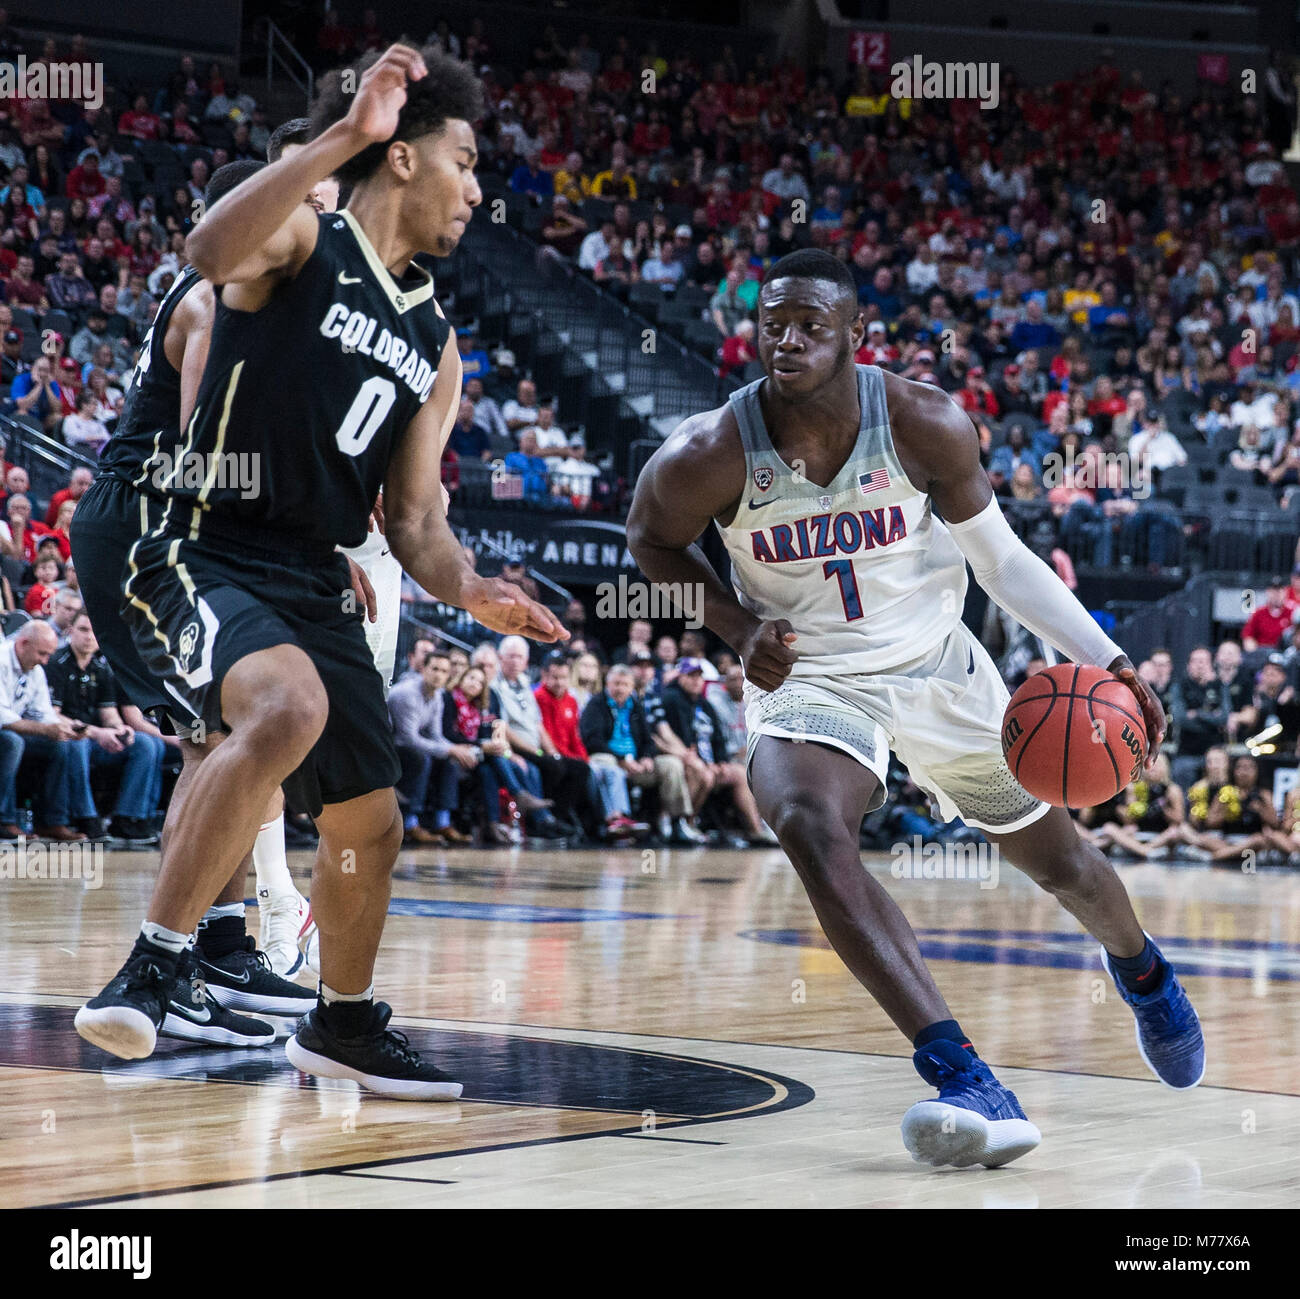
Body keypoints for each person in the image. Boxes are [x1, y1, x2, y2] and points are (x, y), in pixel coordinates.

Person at [627, 248, 1203, 1169]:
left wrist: (1111, 659)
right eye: (774, 322)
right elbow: (649, 540)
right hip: (811, 677)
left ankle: (1143, 969)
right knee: (808, 823)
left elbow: (1006, 565)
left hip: (940, 668)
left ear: (858, 334)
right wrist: (738, 626)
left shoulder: (925, 421)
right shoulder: (712, 450)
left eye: (813, 324)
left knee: (1066, 866)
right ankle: (962, 1071)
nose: (789, 339)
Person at [73, 46, 566, 1094]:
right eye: (465, 161)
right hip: (194, 534)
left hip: (308, 561)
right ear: (401, 159)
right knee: (280, 709)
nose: (478, 190)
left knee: (369, 818)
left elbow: (419, 521)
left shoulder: (434, 344)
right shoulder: (307, 235)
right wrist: (344, 135)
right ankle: (156, 970)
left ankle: (340, 1021)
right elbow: (210, 249)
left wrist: (473, 589)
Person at [70, 162, 321, 1035]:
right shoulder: (215, 302)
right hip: (144, 528)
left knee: (214, 740)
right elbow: (203, 458)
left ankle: (214, 946)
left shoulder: (235, 297)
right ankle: (174, 965)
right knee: (221, 740)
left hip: (146, 528)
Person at [49, 611, 167, 843]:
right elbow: (53, 717)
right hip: (68, 736)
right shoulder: (56, 664)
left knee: (144, 743)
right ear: (70, 631)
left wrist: (119, 730)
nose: (90, 637)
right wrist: (98, 733)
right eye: (83, 629)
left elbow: (109, 714)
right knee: (77, 745)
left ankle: (128, 819)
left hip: (96, 738)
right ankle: (87, 818)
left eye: (94, 631)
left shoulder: (101, 668)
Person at [580, 663, 692, 841]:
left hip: (636, 763)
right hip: (609, 759)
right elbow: (592, 741)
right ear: (607, 684)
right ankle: (618, 821)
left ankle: (678, 822)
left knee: (671, 764)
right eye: (616, 684)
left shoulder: (636, 706)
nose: (620, 688)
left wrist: (647, 757)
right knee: (608, 764)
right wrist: (621, 759)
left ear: (632, 687)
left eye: (625, 685)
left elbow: (648, 741)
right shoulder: (596, 704)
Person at [0, 620, 86, 841]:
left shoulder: (35, 669)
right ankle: (4, 820)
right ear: (23, 643)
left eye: (48, 655)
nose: (45, 661)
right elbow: (2, 718)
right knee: (12, 742)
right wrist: (46, 729)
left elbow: (43, 713)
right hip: (6, 732)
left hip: (14, 731)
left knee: (59, 745)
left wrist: (65, 729)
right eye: (42, 654)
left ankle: (51, 822)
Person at [387, 649, 475, 845]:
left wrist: (457, 749)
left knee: (450, 761)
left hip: (411, 745)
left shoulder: (437, 696)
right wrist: (450, 749)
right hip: (391, 749)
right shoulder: (407, 693)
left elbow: (436, 735)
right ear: (424, 669)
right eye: (434, 669)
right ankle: (410, 823)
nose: (439, 674)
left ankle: (442, 822)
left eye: (444, 671)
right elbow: (407, 738)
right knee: (423, 758)